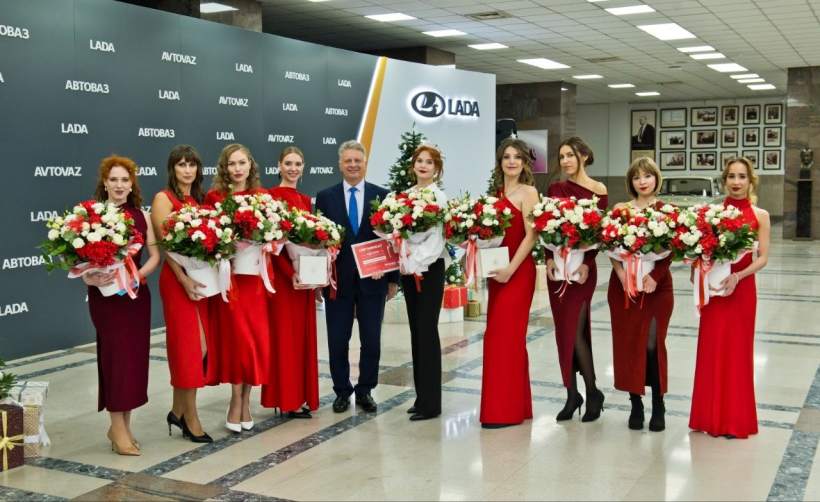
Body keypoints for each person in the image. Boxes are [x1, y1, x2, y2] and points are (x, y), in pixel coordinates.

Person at [315, 140, 399, 413]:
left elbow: (392, 239)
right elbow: (317, 241)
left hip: (373, 281)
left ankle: (365, 390)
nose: (353, 165)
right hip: (337, 281)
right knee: (337, 340)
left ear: (365, 164)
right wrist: (318, 280)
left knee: (371, 340)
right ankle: (342, 391)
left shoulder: (383, 196)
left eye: (357, 161)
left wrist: (392, 278)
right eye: (348, 161)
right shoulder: (325, 197)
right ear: (340, 164)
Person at [83, 155, 159, 455]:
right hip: (107, 300)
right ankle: (117, 426)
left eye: (124, 180)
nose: (119, 185)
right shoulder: (92, 217)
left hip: (136, 296)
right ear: (105, 183)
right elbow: (81, 263)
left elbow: (154, 256)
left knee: (132, 361)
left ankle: (124, 426)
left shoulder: (142, 215)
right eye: (113, 179)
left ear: (132, 184)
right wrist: (90, 277)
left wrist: (136, 276)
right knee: (115, 359)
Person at [689, 157, 770, 439]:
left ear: (750, 181)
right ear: (724, 180)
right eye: (732, 176)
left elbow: (763, 258)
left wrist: (739, 275)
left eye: (742, 176)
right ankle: (708, 417)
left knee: (738, 352)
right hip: (715, 291)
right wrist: (697, 271)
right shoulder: (711, 214)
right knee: (712, 350)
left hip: (742, 290)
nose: (736, 182)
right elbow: (700, 251)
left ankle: (735, 420)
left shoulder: (760, 215)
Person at [204, 143, 271, 433]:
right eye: (232, 163)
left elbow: (274, 237)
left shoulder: (262, 197)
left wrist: (269, 240)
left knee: (253, 341)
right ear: (224, 167)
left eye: (242, 162)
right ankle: (235, 400)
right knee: (237, 342)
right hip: (229, 280)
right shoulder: (215, 197)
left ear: (250, 165)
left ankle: (246, 401)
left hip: (254, 280)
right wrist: (225, 246)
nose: (237, 168)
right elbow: (208, 238)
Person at [151, 145, 213, 443]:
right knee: (192, 349)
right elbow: (166, 246)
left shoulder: (200, 199)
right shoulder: (164, 199)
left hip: (201, 279)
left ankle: (177, 411)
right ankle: (190, 417)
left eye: (192, 165)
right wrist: (183, 278)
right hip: (177, 281)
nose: (187, 170)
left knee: (198, 349)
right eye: (181, 165)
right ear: (172, 169)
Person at [607, 157, 673, 432]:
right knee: (629, 344)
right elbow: (610, 247)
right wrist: (621, 274)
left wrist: (655, 277)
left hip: (657, 287)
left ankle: (658, 403)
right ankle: (636, 403)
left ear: (656, 178)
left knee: (652, 344)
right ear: (630, 182)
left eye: (647, 176)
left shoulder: (667, 211)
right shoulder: (620, 210)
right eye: (636, 177)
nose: (642, 181)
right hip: (624, 287)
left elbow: (671, 251)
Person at [547, 136, 609, 423]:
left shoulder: (598, 190)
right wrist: (548, 259)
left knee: (576, 332)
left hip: (583, 271)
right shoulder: (555, 189)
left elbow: (598, 233)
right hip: (558, 269)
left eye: (570, 155)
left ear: (583, 156)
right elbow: (545, 228)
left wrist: (588, 262)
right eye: (561, 156)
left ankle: (592, 391)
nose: (565, 161)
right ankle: (572, 394)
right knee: (564, 333)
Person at [479, 138, 539, 429]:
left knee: (505, 338)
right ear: (500, 162)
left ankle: (504, 412)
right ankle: (515, 405)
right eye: (506, 157)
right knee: (501, 338)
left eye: (517, 157)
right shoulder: (494, 195)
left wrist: (510, 270)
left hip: (518, 272)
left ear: (525, 163)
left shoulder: (529, 192)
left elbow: (531, 236)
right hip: (497, 274)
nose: (511, 161)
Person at [261, 146, 319, 419]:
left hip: (304, 281)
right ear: (279, 166)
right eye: (288, 163)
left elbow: (310, 242)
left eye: (297, 164)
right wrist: (289, 272)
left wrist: (315, 274)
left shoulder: (306, 200)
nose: (293, 168)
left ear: (303, 167)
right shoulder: (270, 197)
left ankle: (299, 396)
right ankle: (285, 398)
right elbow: (271, 245)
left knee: (302, 340)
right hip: (284, 282)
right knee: (285, 339)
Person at [402, 144, 448, 422]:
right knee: (416, 332)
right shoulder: (405, 197)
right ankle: (421, 398)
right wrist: (405, 260)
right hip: (409, 270)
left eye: (429, 162)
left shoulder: (439, 197)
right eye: (419, 161)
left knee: (427, 332)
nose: (423, 165)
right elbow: (399, 234)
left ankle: (431, 404)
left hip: (429, 269)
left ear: (436, 169)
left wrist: (416, 262)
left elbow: (437, 240)